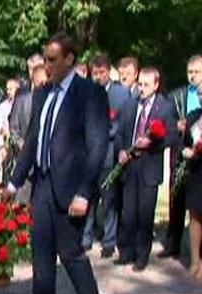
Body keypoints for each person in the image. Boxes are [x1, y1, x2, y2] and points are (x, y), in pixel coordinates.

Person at [3, 33, 109, 294]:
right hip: (43, 185)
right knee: (41, 252)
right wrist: (13, 182)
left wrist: (84, 193)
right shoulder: (42, 94)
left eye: (52, 59)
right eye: (44, 59)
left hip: (71, 187)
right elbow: (33, 140)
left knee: (71, 251)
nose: (46, 65)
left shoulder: (89, 94)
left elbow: (97, 145)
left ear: (69, 59)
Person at [114, 67, 176, 271]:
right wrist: (122, 151)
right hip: (130, 165)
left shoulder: (165, 108)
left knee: (145, 214)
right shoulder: (130, 105)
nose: (141, 88)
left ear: (156, 85)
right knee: (128, 212)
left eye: (146, 85)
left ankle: (142, 255)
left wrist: (151, 143)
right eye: (139, 84)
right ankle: (127, 251)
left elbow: (171, 137)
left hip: (149, 166)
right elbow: (121, 132)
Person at [82, 53, 131, 258]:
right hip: (88, 153)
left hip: (109, 152)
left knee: (109, 199)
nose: (99, 77)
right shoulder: (86, 91)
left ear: (109, 71)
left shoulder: (121, 94)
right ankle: (86, 236)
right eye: (95, 73)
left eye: (102, 73)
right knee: (89, 197)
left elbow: (122, 123)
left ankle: (109, 240)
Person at [160, 54, 202, 259]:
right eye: (190, 72)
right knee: (176, 200)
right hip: (179, 154)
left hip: (199, 159)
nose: (193, 76)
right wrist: (175, 126)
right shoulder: (177, 95)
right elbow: (166, 120)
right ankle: (172, 245)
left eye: (197, 72)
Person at [9, 64, 49, 203]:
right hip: (24, 168)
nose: (44, 86)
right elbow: (13, 131)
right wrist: (20, 143)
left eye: (46, 82)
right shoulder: (21, 101)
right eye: (40, 83)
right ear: (33, 81)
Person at [181, 98, 202, 280]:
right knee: (195, 216)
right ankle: (195, 261)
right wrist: (187, 151)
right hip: (196, 173)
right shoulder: (193, 117)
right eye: (201, 95)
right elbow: (185, 142)